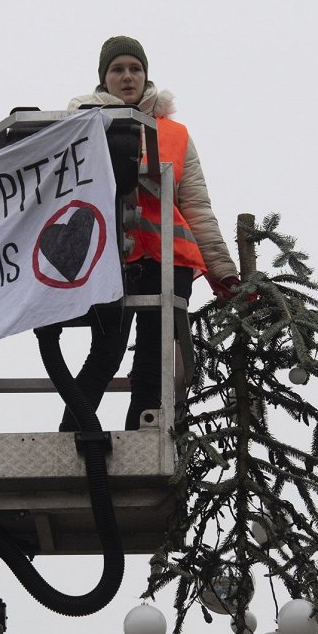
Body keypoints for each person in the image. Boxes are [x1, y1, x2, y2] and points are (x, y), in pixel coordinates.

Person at [61, 35, 241, 431]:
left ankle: (142, 437)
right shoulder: (78, 124)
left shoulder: (175, 133)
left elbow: (196, 207)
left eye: (135, 69)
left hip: (168, 257)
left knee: (155, 359)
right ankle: (70, 438)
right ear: (103, 79)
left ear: (146, 75)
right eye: (118, 69)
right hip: (110, 255)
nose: (128, 77)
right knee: (105, 352)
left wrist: (222, 273)